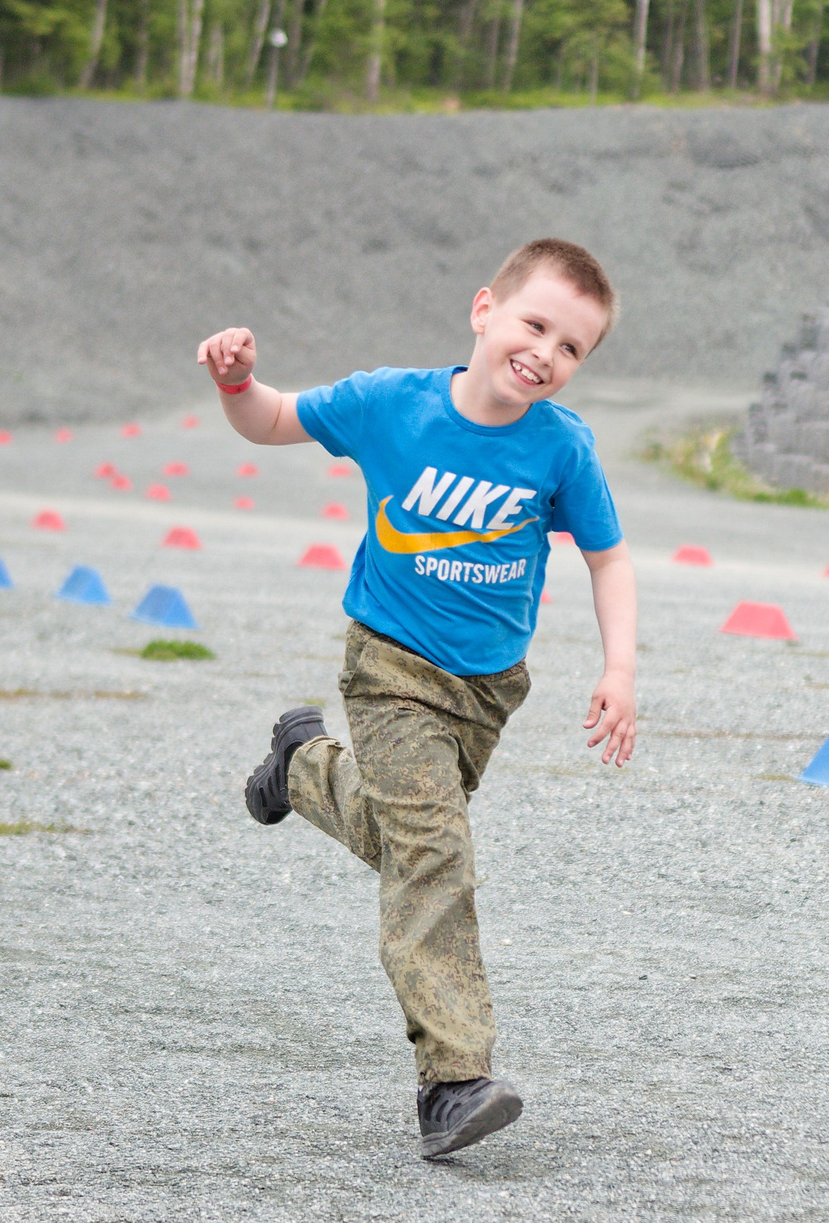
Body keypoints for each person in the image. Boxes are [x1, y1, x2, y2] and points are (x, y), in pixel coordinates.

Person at [198, 237, 637, 1160]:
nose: (545, 354)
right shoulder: (388, 402)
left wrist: (620, 668)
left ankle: (304, 766)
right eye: (534, 324)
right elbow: (272, 419)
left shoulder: (562, 447)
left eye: (571, 348)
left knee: (405, 841)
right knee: (435, 854)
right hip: (391, 670)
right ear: (485, 310)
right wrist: (239, 382)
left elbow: (608, 555)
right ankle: (454, 1079)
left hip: (487, 691)